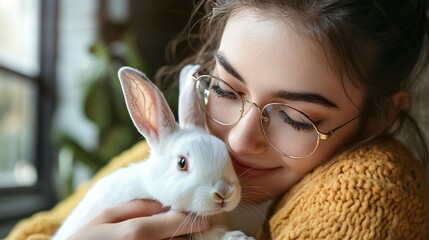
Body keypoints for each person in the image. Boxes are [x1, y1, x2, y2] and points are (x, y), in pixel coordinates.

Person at [7, 0, 429, 239]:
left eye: (295, 118)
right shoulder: (185, 146)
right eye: (226, 91)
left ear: (377, 118)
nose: (241, 142)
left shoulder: (371, 197)